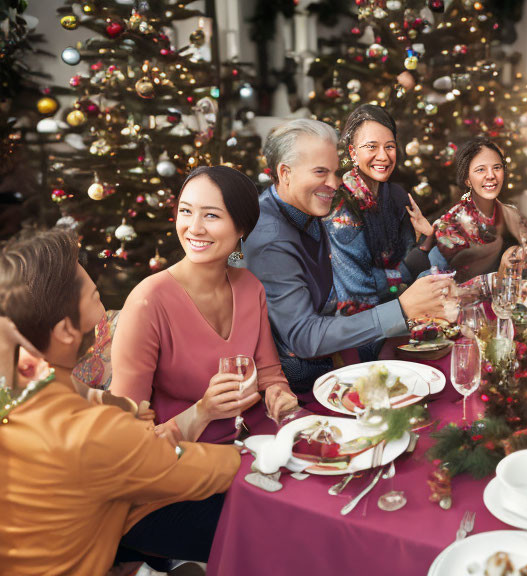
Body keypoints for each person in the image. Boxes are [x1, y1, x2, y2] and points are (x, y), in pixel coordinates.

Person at [0, 228, 239, 575]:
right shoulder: (94, 433)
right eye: (88, 288)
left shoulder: (21, 378)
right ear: (66, 331)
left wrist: (129, 407)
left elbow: (93, 400)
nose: (90, 273)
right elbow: (219, 467)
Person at [245, 118, 450, 392]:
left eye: (335, 171)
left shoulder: (309, 207)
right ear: (285, 173)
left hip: (340, 349)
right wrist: (402, 308)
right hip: (299, 381)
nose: (333, 183)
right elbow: (305, 338)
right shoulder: (270, 236)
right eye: (320, 172)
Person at [111, 166, 298, 444]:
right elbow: (122, 429)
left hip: (255, 439)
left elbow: (269, 374)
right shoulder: (147, 301)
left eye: (211, 215)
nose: (194, 227)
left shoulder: (249, 287)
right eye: (186, 211)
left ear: (242, 227)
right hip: (182, 455)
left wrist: (278, 394)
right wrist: (203, 411)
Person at [326, 104, 438, 325]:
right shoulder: (341, 209)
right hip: (358, 327)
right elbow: (358, 295)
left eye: (389, 146)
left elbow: (411, 265)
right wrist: (412, 267)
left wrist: (426, 241)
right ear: (352, 152)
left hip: (399, 313)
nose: (383, 157)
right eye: (371, 147)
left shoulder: (396, 196)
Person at [432, 137, 527, 283]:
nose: (491, 176)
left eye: (497, 168)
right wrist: (501, 272)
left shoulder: (514, 216)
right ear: (467, 179)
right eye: (481, 169)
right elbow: (451, 285)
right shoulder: (450, 225)